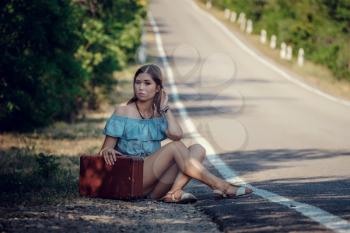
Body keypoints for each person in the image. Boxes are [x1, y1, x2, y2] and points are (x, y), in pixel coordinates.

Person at [99, 64, 253, 203]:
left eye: (147, 83)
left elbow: (177, 134)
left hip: (155, 185)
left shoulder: (159, 114)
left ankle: (173, 192)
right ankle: (221, 185)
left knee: (197, 149)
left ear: (158, 88)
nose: (141, 88)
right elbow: (104, 150)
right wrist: (108, 151)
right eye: (138, 82)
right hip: (131, 179)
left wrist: (166, 109)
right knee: (175, 148)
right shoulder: (123, 111)